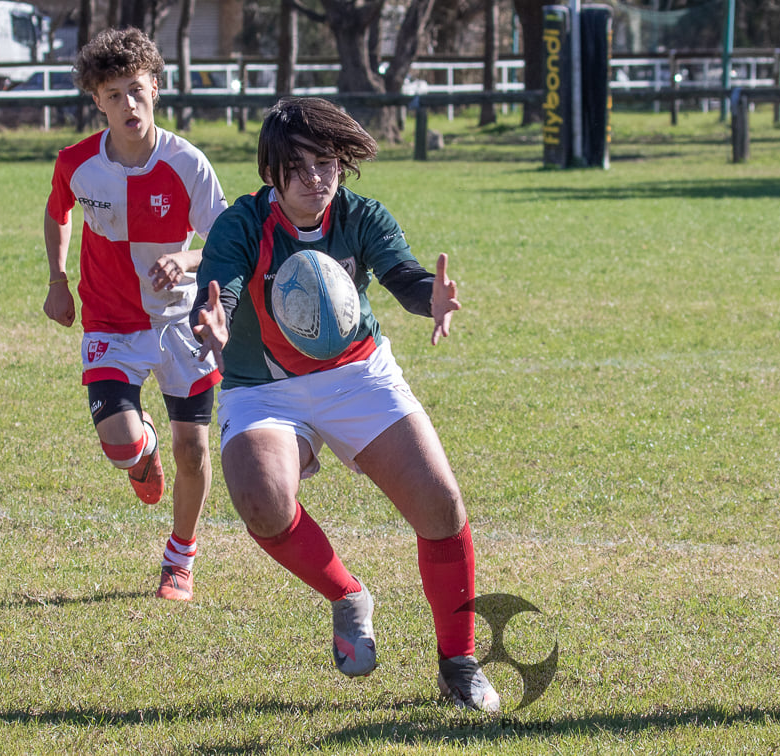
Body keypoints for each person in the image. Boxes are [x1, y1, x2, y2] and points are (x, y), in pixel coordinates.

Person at [190, 97, 500, 712]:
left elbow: (402, 275)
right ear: (272, 173)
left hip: (357, 373)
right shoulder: (243, 224)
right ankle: (347, 594)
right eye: (299, 167)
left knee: (441, 505)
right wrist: (215, 318)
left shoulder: (360, 216)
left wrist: (429, 299)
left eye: (327, 163)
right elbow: (221, 283)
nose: (316, 179)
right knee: (261, 499)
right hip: (262, 386)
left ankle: (458, 665)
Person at [43, 28, 227, 602]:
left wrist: (188, 257)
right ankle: (142, 452)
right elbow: (58, 212)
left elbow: (227, 237)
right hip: (109, 321)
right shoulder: (77, 163)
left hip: (180, 321)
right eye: (114, 94)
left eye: (137, 89)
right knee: (122, 446)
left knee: (193, 450)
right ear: (97, 100)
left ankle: (180, 557)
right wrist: (58, 280)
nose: (129, 104)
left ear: (156, 88)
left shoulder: (186, 163)